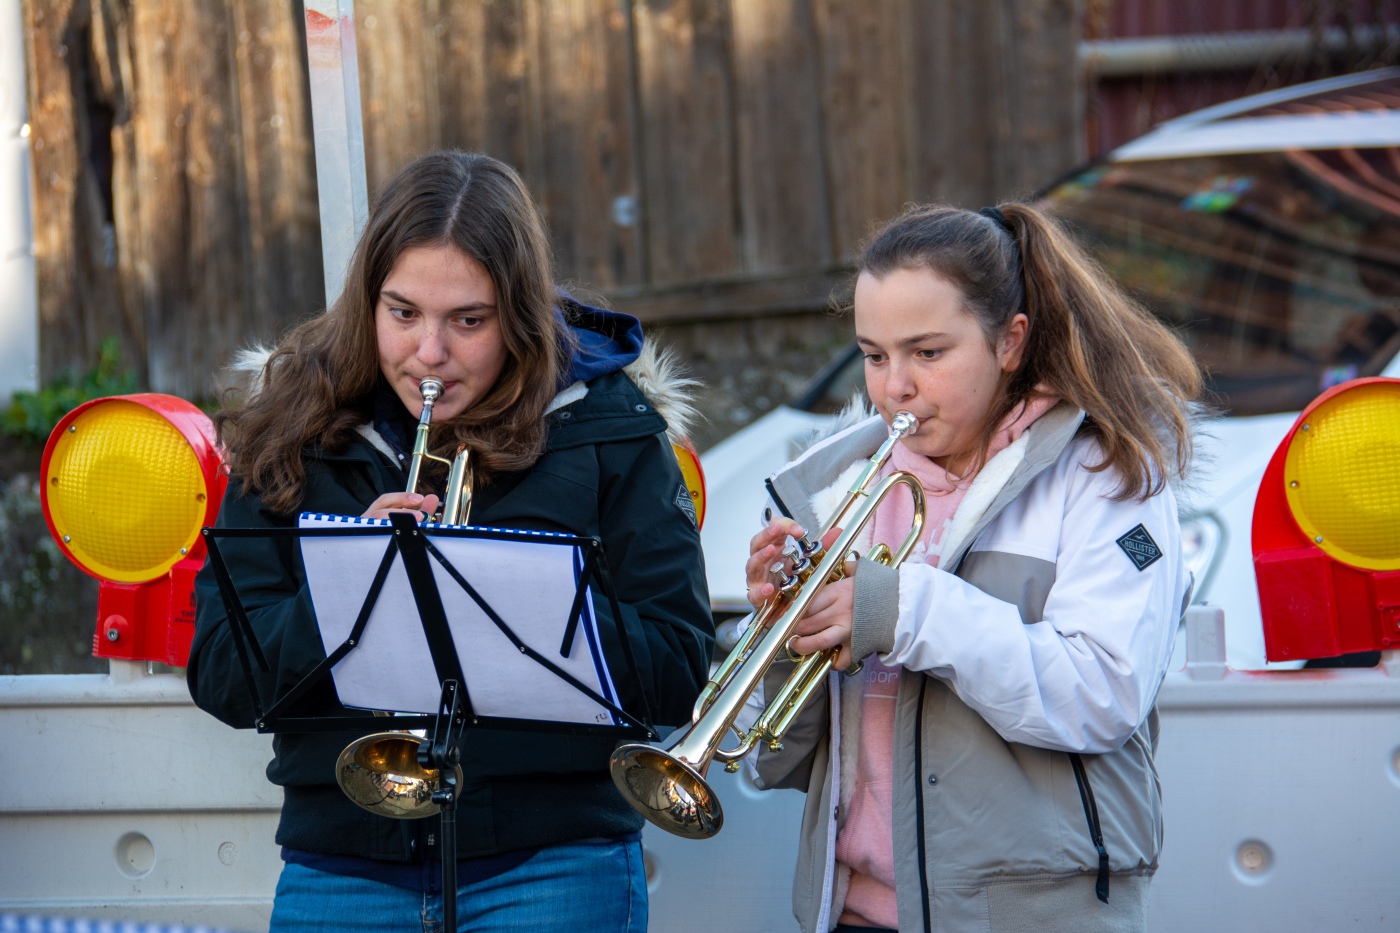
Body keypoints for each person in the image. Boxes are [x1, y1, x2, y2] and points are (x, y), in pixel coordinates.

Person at [187, 150, 713, 932]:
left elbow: (675, 666)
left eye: (468, 321)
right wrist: (349, 587)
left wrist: (515, 589)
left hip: (554, 861)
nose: (428, 354)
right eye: (402, 314)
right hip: (344, 864)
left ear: (520, 315)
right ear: (366, 303)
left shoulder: (605, 429)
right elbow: (222, 674)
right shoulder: (290, 427)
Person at [740, 203, 1200, 933]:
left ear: (1010, 342)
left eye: (928, 352)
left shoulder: (1106, 475)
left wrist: (906, 610)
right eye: (875, 353)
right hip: (853, 912)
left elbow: (1104, 691)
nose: (895, 386)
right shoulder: (841, 489)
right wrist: (783, 632)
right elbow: (780, 762)